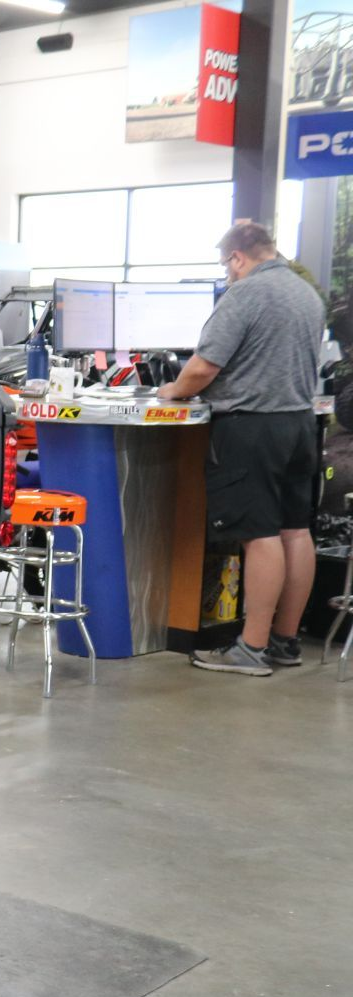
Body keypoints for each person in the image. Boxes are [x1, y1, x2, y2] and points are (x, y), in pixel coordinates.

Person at [159, 221, 323, 675]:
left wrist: (172, 390)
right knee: (294, 531)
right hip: (298, 423)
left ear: (237, 258)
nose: (228, 274)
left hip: (252, 427)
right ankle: (285, 642)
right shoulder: (305, 293)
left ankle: (250, 650)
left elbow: (203, 367)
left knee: (259, 535)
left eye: (226, 265)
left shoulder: (246, 293)